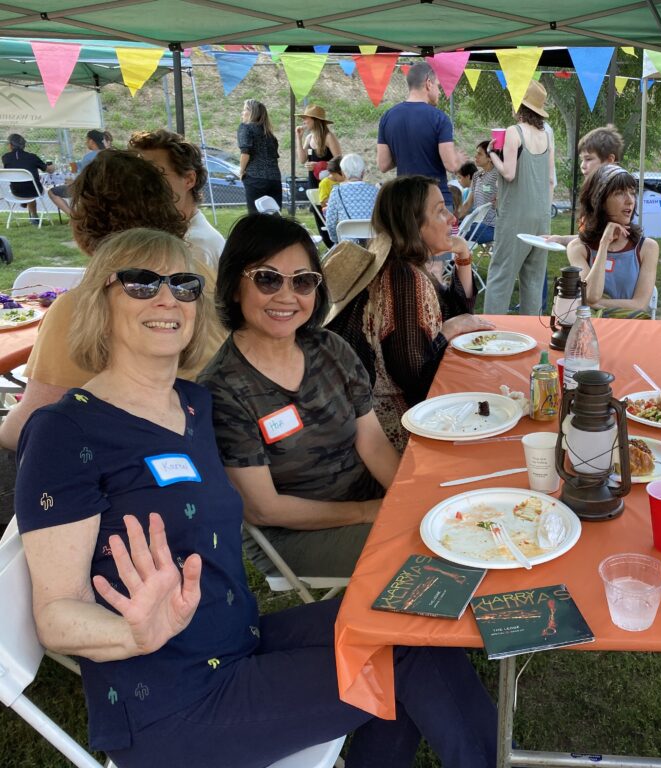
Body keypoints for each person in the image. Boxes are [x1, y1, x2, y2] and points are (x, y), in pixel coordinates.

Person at [14, 227, 499, 768]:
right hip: (174, 704)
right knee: (405, 659)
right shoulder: (66, 432)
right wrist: (131, 633)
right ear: (98, 302)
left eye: (183, 284)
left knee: (417, 620)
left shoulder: (192, 405)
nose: (167, 298)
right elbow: (55, 614)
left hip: (238, 641)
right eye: (141, 283)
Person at [199, 215, 398, 577]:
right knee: (419, 550)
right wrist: (371, 512)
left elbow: (372, 443)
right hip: (296, 534)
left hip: (366, 497)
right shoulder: (222, 389)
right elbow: (264, 510)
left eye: (303, 281)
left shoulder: (330, 348)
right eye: (267, 278)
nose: (287, 296)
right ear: (233, 286)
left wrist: (407, 500)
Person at [0, 149, 209, 452]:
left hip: (127, 465)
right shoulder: (201, 277)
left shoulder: (83, 303)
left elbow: (24, 431)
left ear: (84, 217)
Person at [328, 175, 493, 450]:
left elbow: (460, 311)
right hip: (395, 431)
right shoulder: (403, 278)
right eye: (440, 210)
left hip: (394, 417)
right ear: (413, 222)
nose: (452, 217)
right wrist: (448, 331)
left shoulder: (409, 267)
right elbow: (417, 379)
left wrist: (462, 254)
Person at [482, 79, 555, 316]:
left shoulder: (514, 132)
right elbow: (551, 179)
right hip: (542, 217)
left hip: (515, 216)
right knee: (533, 280)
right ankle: (530, 336)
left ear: (519, 105)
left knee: (501, 276)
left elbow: (509, 174)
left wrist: (492, 154)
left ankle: (491, 331)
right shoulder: (548, 134)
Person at [566, 164, 658, 319]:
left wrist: (596, 304)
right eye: (620, 193)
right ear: (600, 201)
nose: (630, 200)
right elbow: (591, 294)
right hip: (589, 330)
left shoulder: (647, 247)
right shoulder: (578, 248)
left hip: (631, 329)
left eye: (632, 193)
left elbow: (640, 305)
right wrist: (604, 244)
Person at [129, 129, 225, 268]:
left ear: (189, 179)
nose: (142, 183)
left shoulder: (195, 248)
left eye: (155, 174)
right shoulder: (166, 237)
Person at [377, 62, 465, 210]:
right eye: (437, 85)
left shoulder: (387, 117)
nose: (439, 92)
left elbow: (383, 164)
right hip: (435, 200)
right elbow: (451, 165)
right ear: (428, 83)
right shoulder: (439, 118)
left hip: (403, 200)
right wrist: (459, 160)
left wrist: (405, 152)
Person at [237, 98, 282, 215]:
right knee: (275, 216)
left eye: (245, 109)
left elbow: (245, 152)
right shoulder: (270, 134)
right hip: (275, 179)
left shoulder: (245, 128)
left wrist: (241, 171)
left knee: (256, 217)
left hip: (255, 178)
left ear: (253, 113)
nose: (242, 113)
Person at [47, 129, 107, 216]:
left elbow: (84, 178)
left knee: (52, 192)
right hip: (105, 189)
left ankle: (74, 216)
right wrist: (67, 166)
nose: (86, 143)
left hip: (87, 190)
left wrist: (72, 182)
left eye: (87, 140)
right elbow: (79, 165)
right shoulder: (109, 154)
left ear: (91, 141)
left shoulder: (89, 157)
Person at [324, 153, 378, 244]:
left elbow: (330, 222)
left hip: (348, 245)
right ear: (363, 173)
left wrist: (336, 240)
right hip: (373, 243)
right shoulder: (375, 191)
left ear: (343, 173)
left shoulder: (337, 191)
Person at [2, 133, 53, 221]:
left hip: (16, 192)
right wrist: (52, 166)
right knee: (32, 187)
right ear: (24, 145)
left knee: (26, 185)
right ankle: (34, 216)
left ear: (10, 145)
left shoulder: (5, 158)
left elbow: (15, 168)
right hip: (34, 191)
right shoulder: (32, 157)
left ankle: (25, 203)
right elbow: (49, 170)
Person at [457, 140, 498, 244]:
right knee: (449, 228)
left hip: (492, 227)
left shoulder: (499, 175)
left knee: (457, 232)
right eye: (476, 153)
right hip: (476, 223)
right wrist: (453, 219)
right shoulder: (476, 176)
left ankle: (455, 259)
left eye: (479, 154)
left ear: (490, 157)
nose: (475, 156)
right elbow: (467, 204)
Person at [294, 104, 341, 191]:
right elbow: (302, 160)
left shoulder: (328, 137)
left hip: (329, 186)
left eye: (305, 118)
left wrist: (319, 165)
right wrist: (299, 138)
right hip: (313, 184)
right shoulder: (309, 138)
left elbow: (339, 162)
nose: (303, 121)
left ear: (315, 120)